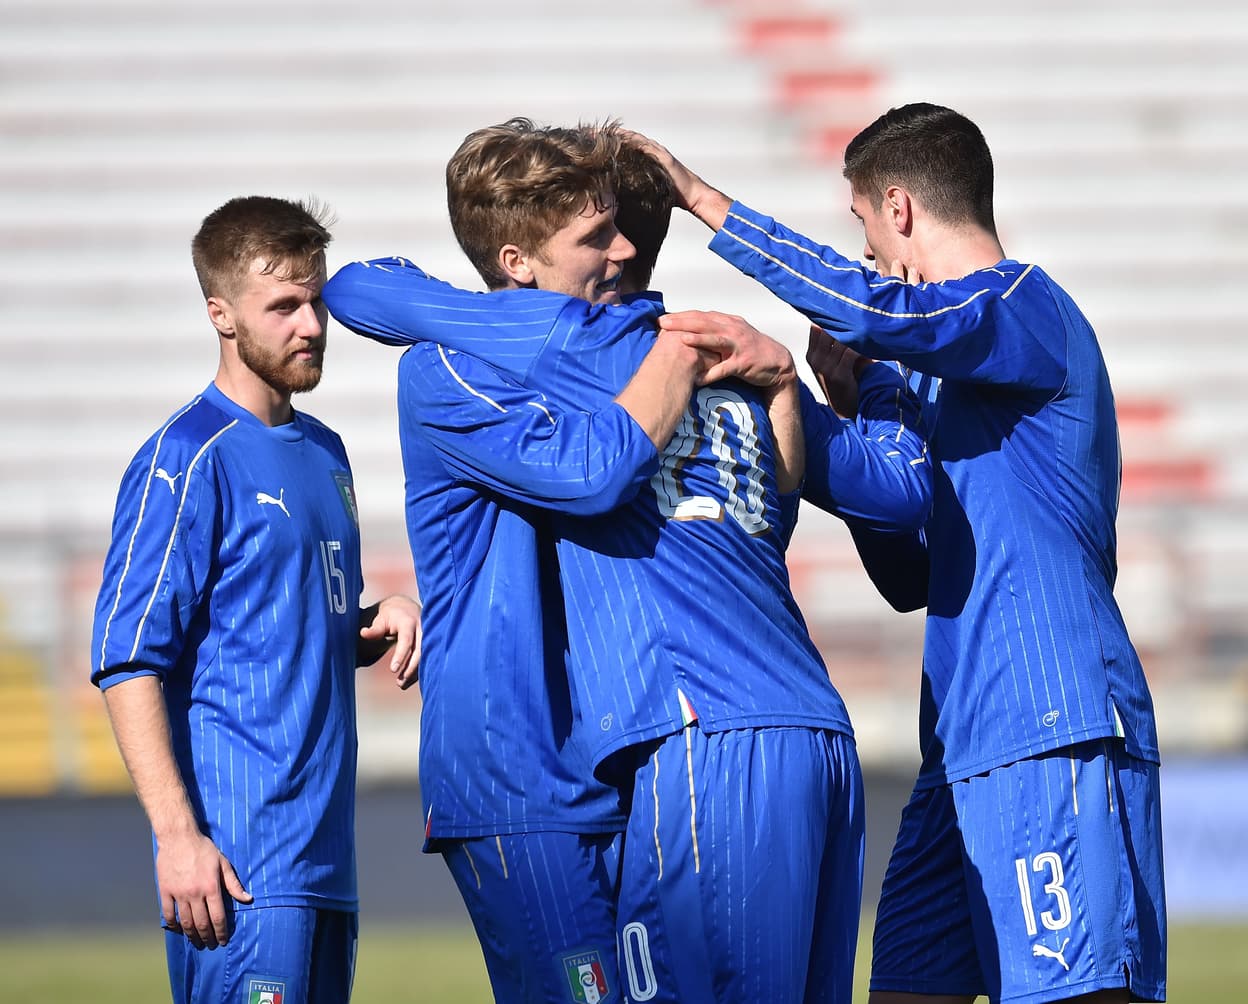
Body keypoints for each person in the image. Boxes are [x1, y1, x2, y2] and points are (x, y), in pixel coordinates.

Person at [323, 119, 932, 1003]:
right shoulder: (720, 352)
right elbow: (893, 495)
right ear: (519, 261)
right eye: (596, 234)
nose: (622, 248)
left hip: (686, 744)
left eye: (617, 226)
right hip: (568, 766)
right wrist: (846, 382)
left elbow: (360, 288)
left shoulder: (593, 347)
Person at [632, 103, 1167, 1004]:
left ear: (899, 207)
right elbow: (908, 572)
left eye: (863, 224)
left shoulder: (1021, 306)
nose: (868, 250)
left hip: (1051, 723)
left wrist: (700, 200)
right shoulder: (943, 371)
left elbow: (873, 309)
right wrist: (837, 400)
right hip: (961, 745)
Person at [90, 196, 421, 1004]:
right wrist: (178, 838)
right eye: (283, 307)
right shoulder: (184, 458)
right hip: (238, 868)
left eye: (316, 302)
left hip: (326, 863)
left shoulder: (327, 453)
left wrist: (373, 622)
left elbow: (284, 627)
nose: (311, 325)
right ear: (222, 315)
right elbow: (127, 660)